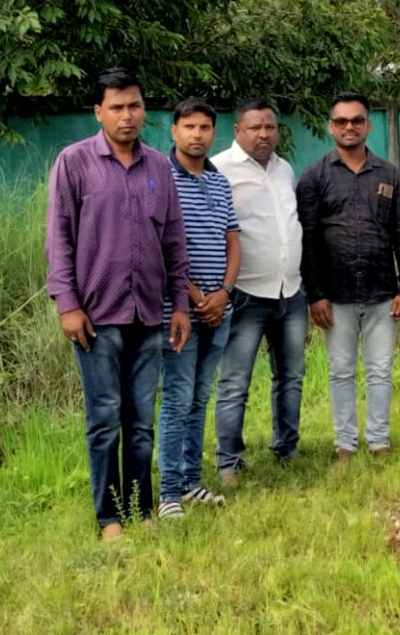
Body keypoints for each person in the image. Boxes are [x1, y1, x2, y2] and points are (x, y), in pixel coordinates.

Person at [45, 68, 190, 539]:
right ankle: (109, 518)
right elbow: (59, 238)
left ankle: (141, 508)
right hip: (96, 316)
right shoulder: (75, 162)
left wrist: (179, 303)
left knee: (141, 421)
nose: (127, 115)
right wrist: (67, 304)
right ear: (98, 112)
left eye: (134, 106)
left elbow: (173, 239)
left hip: (147, 314)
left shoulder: (159, 167)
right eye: (116, 107)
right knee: (105, 420)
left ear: (144, 111)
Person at [298, 93, 400, 459]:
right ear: (330, 126)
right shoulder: (314, 176)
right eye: (341, 121)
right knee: (341, 372)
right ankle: (345, 444)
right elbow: (307, 239)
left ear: (368, 125)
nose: (349, 127)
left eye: (356, 120)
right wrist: (315, 294)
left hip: (383, 292)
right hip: (335, 295)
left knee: (381, 371)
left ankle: (379, 440)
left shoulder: (388, 174)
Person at [211, 99, 305, 484]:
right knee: (235, 382)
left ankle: (287, 448)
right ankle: (229, 462)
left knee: (291, 376)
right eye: (255, 127)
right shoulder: (219, 169)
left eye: (270, 127)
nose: (264, 134)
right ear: (238, 131)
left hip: (290, 292)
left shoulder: (284, 168)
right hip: (245, 294)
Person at [156, 99, 241, 518]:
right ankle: (169, 493)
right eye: (189, 126)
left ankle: (191, 483)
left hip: (219, 308)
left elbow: (233, 241)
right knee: (177, 398)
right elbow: (160, 247)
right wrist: (195, 297)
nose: (197, 134)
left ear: (214, 132)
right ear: (174, 130)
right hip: (178, 310)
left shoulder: (219, 181)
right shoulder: (160, 176)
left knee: (199, 398)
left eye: (205, 127)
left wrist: (224, 292)